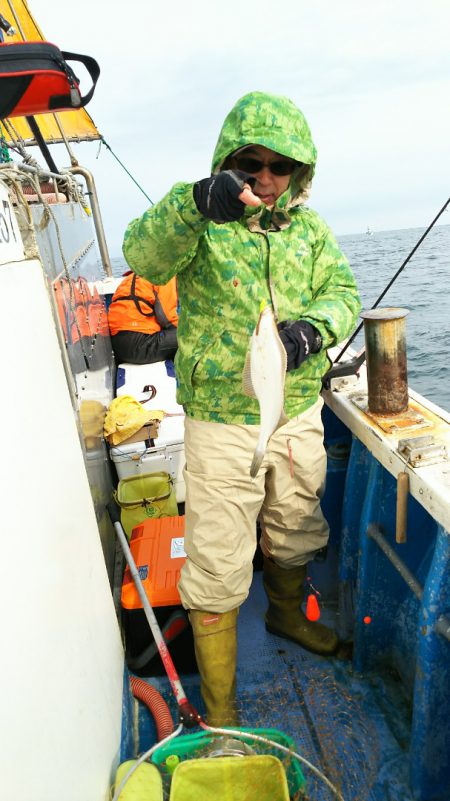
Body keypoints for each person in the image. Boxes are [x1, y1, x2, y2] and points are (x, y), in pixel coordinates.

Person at [122, 91, 361, 725]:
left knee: (295, 521)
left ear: (297, 173)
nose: (264, 178)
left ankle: (286, 612)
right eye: (249, 164)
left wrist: (313, 329)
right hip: (223, 421)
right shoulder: (202, 221)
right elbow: (142, 255)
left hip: (298, 409)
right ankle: (222, 712)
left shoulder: (310, 230)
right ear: (228, 163)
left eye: (279, 166)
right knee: (219, 556)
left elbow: (344, 290)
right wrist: (196, 203)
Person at [107, 271, 178, 365]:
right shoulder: (163, 277)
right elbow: (168, 319)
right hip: (139, 345)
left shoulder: (131, 278)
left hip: (116, 344)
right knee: (189, 336)